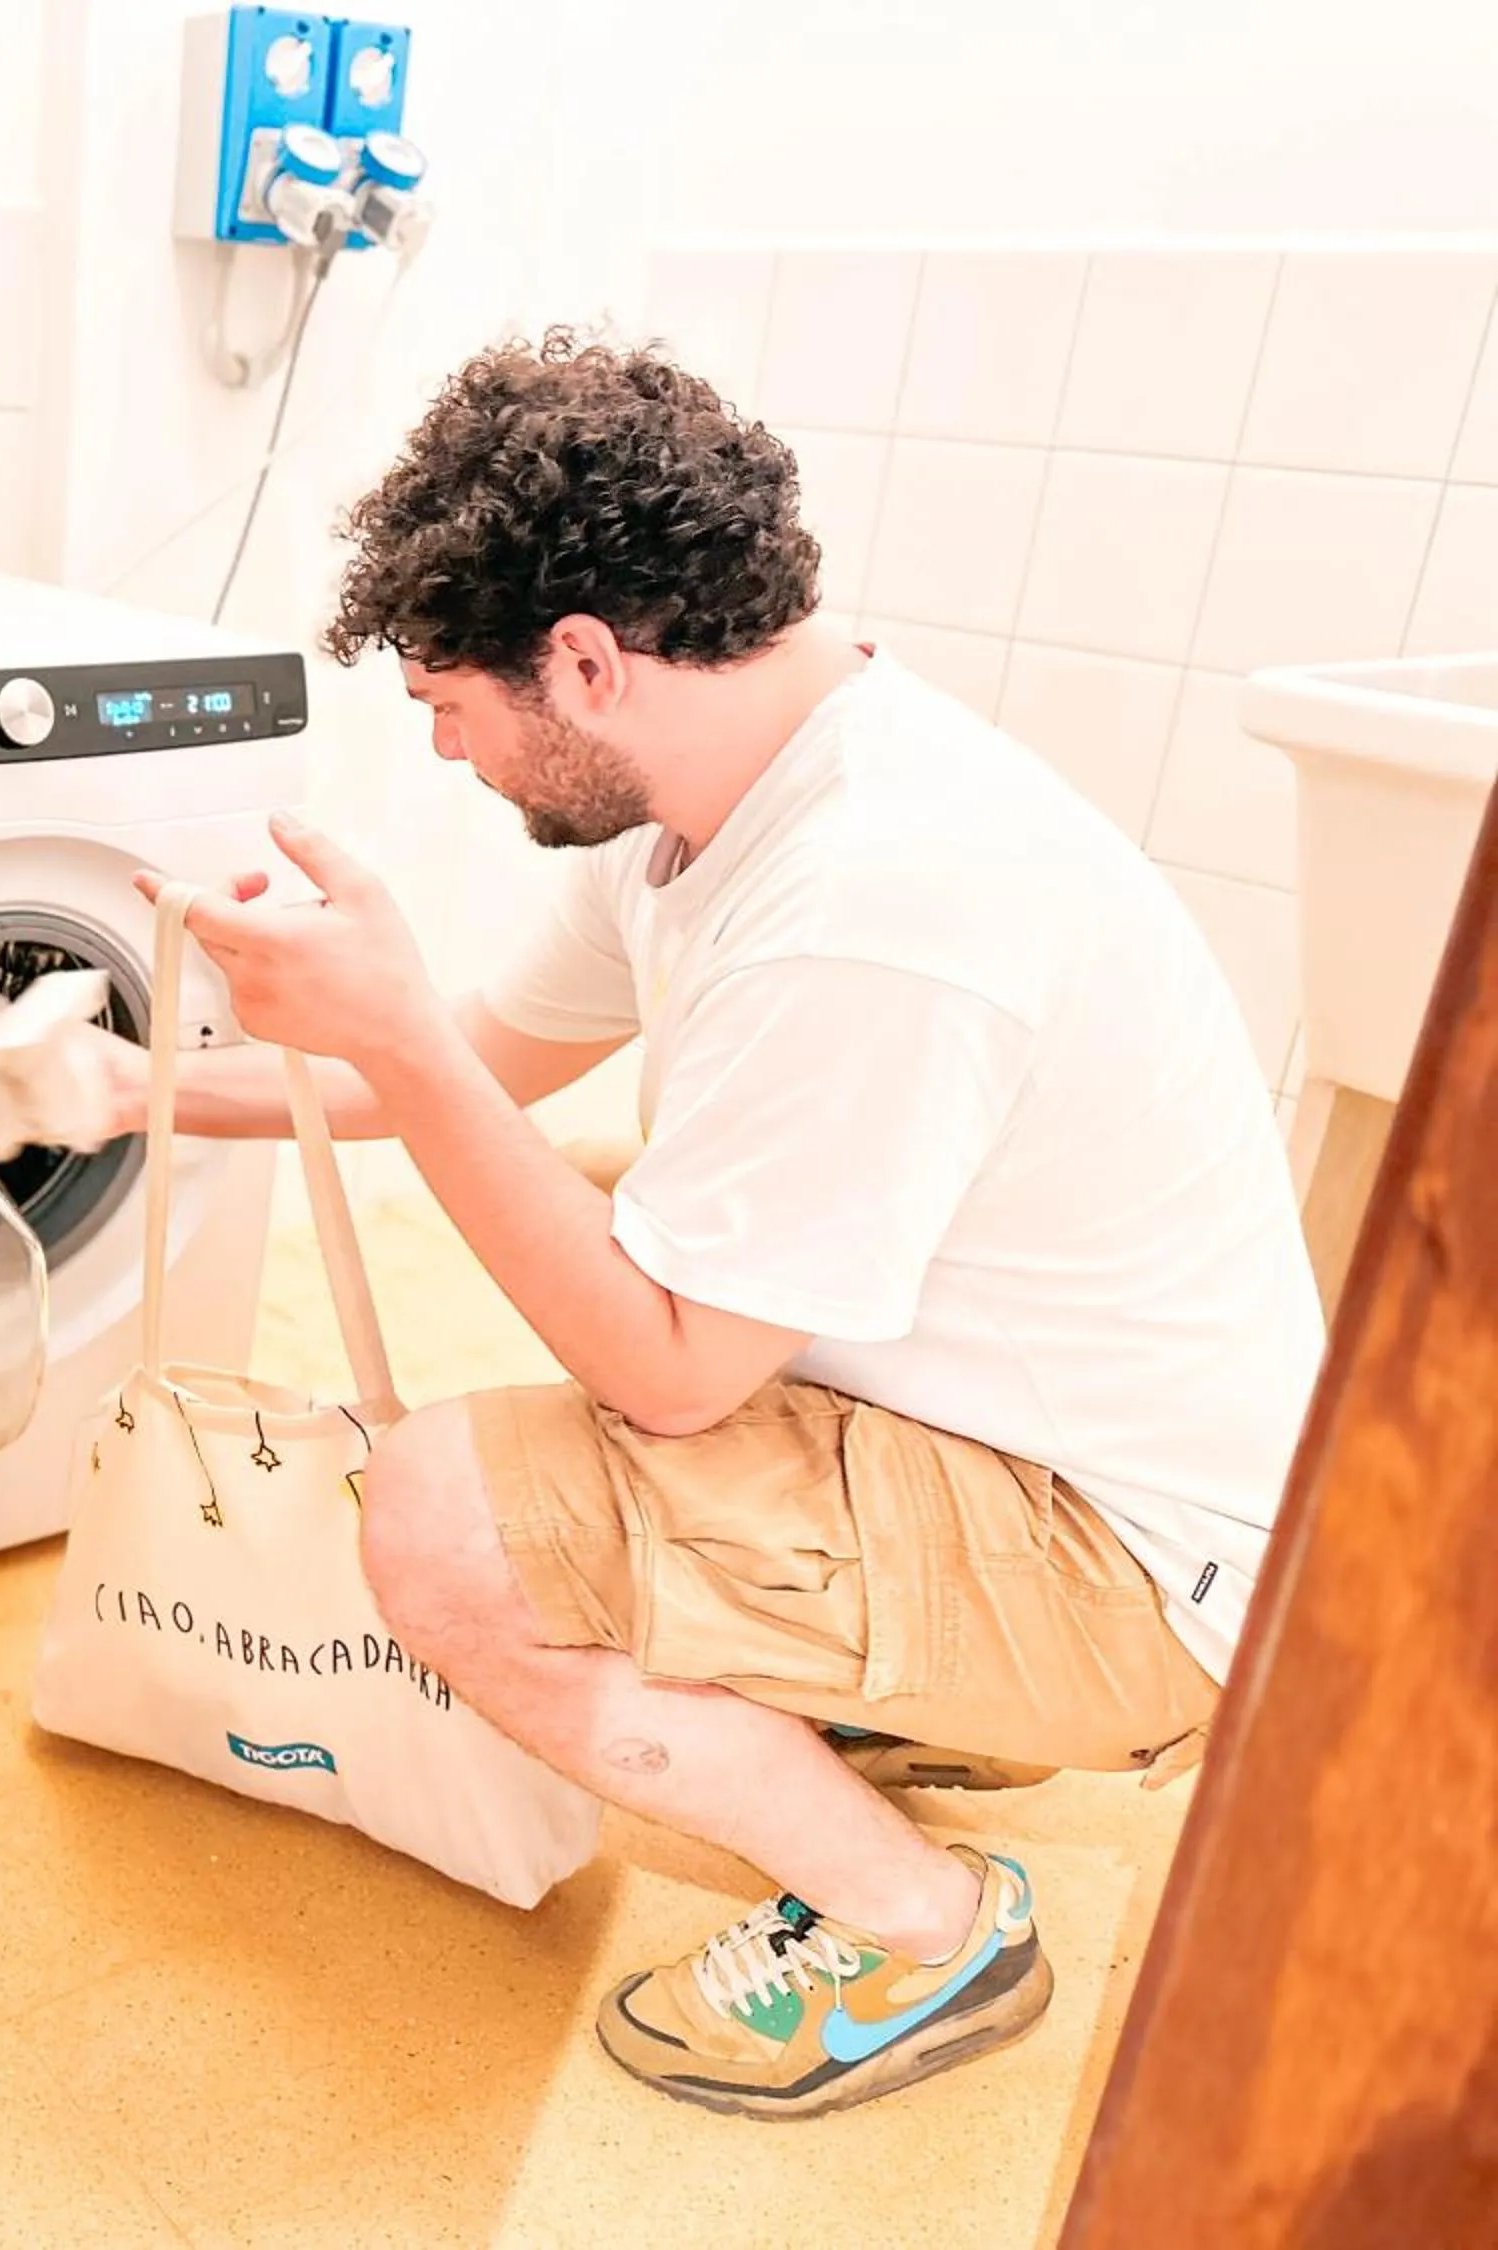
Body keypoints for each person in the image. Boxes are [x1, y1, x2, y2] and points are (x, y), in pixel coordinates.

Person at [104, 330, 1325, 2119]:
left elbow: (668, 1376)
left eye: (450, 704)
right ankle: (871, 1691)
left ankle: (925, 1926)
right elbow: (449, 1078)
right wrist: (110, 1088)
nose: (444, 753)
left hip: (1147, 1574)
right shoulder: (715, 807)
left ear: (584, 664)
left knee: (449, 1528)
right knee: (603, 1196)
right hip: (1024, 1425)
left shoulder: (876, 899)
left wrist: (391, 1028)